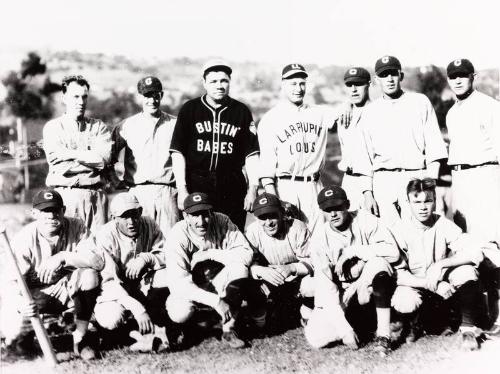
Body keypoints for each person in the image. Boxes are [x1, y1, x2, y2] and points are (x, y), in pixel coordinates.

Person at [0, 188, 103, 359]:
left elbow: (97, 261)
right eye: (45, 211)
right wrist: (20, 304)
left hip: (66, 290)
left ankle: (81, 338)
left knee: (90, 276)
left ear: (63, 211)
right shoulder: (24, 238)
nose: (51, 216)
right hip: (35, 296)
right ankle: (23, 339)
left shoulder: (77, 226)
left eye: (55, 210)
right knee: (13, 332)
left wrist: (63, 257)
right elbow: (8, 282)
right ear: (34, 213)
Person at [304, 185, 400, 356]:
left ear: (347, 205)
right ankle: (362, 322)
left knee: (378, 262)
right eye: (328, 210)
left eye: (337, 207)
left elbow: (393, 253)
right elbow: (326, 288)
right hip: (343, 293)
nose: (333, 214)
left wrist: (353, 251)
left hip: (367, 283)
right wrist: (344, 329)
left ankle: (383, 333)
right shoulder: (319, 240)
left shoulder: (365, 219)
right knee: (316, 338)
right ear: (322, 212)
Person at [390, 178, 486, 350]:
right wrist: (433, 284)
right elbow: (396, 274)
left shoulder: (442, 223)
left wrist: (441, 265)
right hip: (415, 283)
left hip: (439, 281)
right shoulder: (398, 229)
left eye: (428, 201)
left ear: (435, 201)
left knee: (466, 272)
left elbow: (475, 252)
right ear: (408, 202)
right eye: (417, 201)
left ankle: (467, 328)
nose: (423, 207)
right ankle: (413, 324)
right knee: (405, 301)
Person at [445, 58, 500, 336]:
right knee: (467, 245)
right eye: (453, 76)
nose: (458, 80)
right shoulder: (452, 112)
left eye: (463, 76)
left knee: (490, 245)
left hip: (485, 176)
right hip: (460, 178)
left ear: (473, 77)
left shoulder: (490, 106)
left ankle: (498, 315)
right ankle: (479, 312)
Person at [170, 59, 259, 230]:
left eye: (224, 81)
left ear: (230, 82)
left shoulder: (241, 111)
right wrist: (182, 189)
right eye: (214, 81)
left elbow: (252, 154)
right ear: (204, 83)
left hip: (231, 183)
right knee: (198, 233)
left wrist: (252, 189)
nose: (219, 86)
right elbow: (178, 152)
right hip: (197, 181)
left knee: (232, 232)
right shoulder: (190, 109)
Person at [359, 56, 448, 225]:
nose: (389, 79)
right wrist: (367, 192)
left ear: (401, 75)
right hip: (383, 180)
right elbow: (364, 157)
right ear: (377, 79)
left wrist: (430, 181)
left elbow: (434, 145)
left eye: (393, 74)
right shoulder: (370, 112)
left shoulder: (419, 102)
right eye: (384, 75)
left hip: (415, 177)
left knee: (419, 233)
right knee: (389, 236)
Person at [165, 192, 254, 349]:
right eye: (194, 215)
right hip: (190, 286)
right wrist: (216, 302)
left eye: (205, 214)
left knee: (240, 268)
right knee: (179, 312)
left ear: (211, 213)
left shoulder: (222, 221)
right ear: (185, 216)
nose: (201, 221)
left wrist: (211, 254)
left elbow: (246, 253)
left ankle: (229, 328)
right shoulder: (177, 234)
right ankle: (190, 327)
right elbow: (178, 283)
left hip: (217, 280)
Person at [92, 192, 174, 352]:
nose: (131, 222)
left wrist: (146, 258)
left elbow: (166, 255)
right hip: (115, 290)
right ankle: (125, 334)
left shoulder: (149, 223)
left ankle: (160, 325)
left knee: (165, 276)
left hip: (143, 284)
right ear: (113, 217)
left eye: (134, 215)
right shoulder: (105, 235)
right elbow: (108, 282)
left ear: (140, 212)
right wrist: (138, 309)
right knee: (111, 318)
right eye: (124, 216)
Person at [258, 63, 334, 232]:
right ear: (283, 85)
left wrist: (348, 107)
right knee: (291, 237)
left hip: (314, 185)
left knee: (320, 238)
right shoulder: (270, 119)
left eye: (302, 83)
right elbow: (266, 167)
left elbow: (344, 113)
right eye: (293, 84)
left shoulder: (319, 113)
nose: (298, 88)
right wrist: (274, 200)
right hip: (286, 186)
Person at [112, 76, 180, 236]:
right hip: (138, 192)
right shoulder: (126, 125)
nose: (152, 100)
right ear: (139, 97)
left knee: (170, 241)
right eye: (147, 96)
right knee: (140, 242)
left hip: (167, 192)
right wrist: (117, 182)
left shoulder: (175, 124)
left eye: (156, 95)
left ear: (161, 95)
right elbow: (110, 155)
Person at [43, 75, 112, 232]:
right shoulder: (53, 127)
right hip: (67, 196)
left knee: (99, 248)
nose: (80, 102)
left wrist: (69, 154)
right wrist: (90, 158)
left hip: (96, 197)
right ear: (64, 98)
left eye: (84, 97)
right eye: (75, 97)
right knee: (71, 246)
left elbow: (103, 160)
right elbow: (57, 163)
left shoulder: (98, 126)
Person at [245, 192, 313, 333]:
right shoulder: (252, 232)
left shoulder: (297, 228)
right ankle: (260, 318)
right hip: (269, 279)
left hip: (296, 279)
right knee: (247, 283)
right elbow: (244, 262)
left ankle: (306, 311)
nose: (268, 222)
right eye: (263, 217)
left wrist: (292, 267)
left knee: (313, 283)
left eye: (272, 215)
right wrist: (260, 270)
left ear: (282, 213)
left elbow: (314, 260)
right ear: (257, 218)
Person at [337, 67, 378, 215]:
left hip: (374, 181)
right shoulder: (343, 113)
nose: (353, 89)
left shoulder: (378, 111)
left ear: (369, 84)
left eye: (359, 84)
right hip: (349, 180)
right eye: (349, 85)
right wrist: (346, 105)